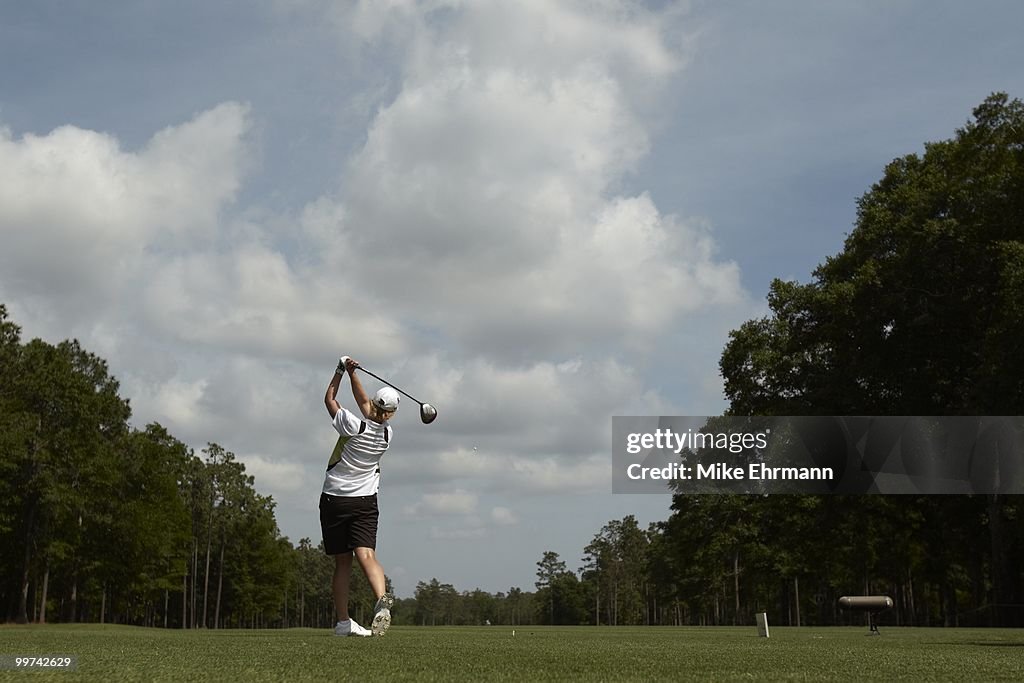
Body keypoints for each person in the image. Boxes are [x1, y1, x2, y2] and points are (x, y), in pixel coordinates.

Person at [320, 355, 397, 637]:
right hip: (366, 501)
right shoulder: (388, 435)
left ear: (375, 405)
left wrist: (340, 371)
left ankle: (343, 622)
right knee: (367, 554)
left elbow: (330, 400)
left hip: (335, 498)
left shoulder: (353, 425)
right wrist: (355, 374)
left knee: (343, 562)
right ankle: (381, 598)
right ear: (391, 413)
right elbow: (366, 403)